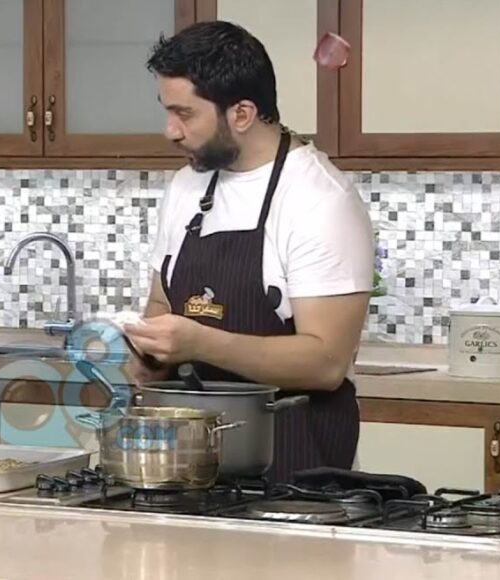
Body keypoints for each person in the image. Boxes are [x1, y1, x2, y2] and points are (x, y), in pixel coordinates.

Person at [122, 21, 375, 483]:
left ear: (242, 113)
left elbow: (326, 363)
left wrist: (199, 343)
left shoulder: (319, 199)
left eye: (184, 114)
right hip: (186, 470)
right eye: (167, 111)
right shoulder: (187, 185)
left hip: (296, 475)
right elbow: (162, 302)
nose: (170, 131)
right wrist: (150, 356)